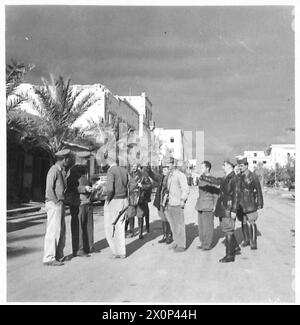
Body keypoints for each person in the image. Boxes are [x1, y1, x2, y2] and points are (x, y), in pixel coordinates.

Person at [200, 160, 241, 262]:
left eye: (225, 165)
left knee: (228, 229)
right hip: (224, 207)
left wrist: (234, 210)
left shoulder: (234, 178)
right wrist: (202, 176)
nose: (223, 166)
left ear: (231, 167)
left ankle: (229, 256)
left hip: (229, 208)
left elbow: (236, 195)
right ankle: (235, 247)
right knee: (226, 228)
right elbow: (216, 181)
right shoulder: (225, 178)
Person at [43, 149, 73, 266]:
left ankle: (58, 255)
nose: (69, 160)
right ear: (64, 159)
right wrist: (56, 202)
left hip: (60, 203)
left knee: (61, 231)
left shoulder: (61, 171)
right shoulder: (53, 171)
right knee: (53, 231)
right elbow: (49, 189)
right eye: (67, 159)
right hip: (54, 203)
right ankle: (49, 258)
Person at [65, 151, 96, 258]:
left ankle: (89, 247)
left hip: (87, 202)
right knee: (78, 227)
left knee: (88, 226)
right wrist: (83, 188)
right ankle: (79, 249)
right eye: (86, 159)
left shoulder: (85, 170)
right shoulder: (73, 171)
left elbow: (89, 183)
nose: (88, 161)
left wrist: (94, 187)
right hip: (78, 203)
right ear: (81, 159)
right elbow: (70, 188)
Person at [237, 157, 264, 250]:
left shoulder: (253, 176)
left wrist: (260, 202)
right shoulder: (239, 176)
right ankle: (246, 240)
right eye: (238, 166)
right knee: (243, 222)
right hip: (241, 203)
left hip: (250, 202)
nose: (239, 167)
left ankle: (253, 242)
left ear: (246, 165)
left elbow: (259, 190)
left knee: (251, 221)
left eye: (241, 166)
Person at [104, 158, 129, 258]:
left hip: (114, 200)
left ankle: (115, 251)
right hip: (124, 200)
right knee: (120, 226)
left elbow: (110, 189)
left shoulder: (111, 171)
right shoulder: (124, 170)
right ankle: (122, 251)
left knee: (110, 228)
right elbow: (129, 185)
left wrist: (107, 200)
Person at [165, 158, 190, 252]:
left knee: (179, 224)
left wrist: (183, 200)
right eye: (166, 164)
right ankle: (176, 241)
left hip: (177, 203)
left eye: (168, 164)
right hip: (170, 202)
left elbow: (186, 188)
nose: (167, 166)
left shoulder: (180, 175)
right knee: (173, 224)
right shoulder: (170, 175)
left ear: (174, 164)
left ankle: (182, 245)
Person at [195, 161, 219, 251]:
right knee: (201, 227)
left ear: (207, 168)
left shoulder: (212, 179)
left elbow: (216, 194)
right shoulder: (202, 179)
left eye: (202, 167)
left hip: (208, 204)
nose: (201, 169)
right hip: (200, 204)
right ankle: (203, 242)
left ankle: (207, 245)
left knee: (208, 226)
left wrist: (215, 205)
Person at [147, 164, 173, 244]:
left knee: (169, 219)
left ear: (169, 170)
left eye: (165, 170)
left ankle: (169, 236)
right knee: (163, 219)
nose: (164, 171)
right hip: (161, 202)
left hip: (168, 203)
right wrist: (148, 169)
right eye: (163, 170)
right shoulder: (160, 177)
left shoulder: (172, 178)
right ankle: (165, 236)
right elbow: (153, 176)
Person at [126, 163, 152, 239]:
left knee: (140, 215)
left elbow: (150, 185)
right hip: (131, 198)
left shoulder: (143, 175)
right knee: (130, 215)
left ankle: (140, 233)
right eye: (132, 166)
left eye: (135, 166)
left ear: (137, 166)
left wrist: (142, 186)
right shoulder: (128, 175)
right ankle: (131, 232)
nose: (133, 168)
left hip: (140, 198)